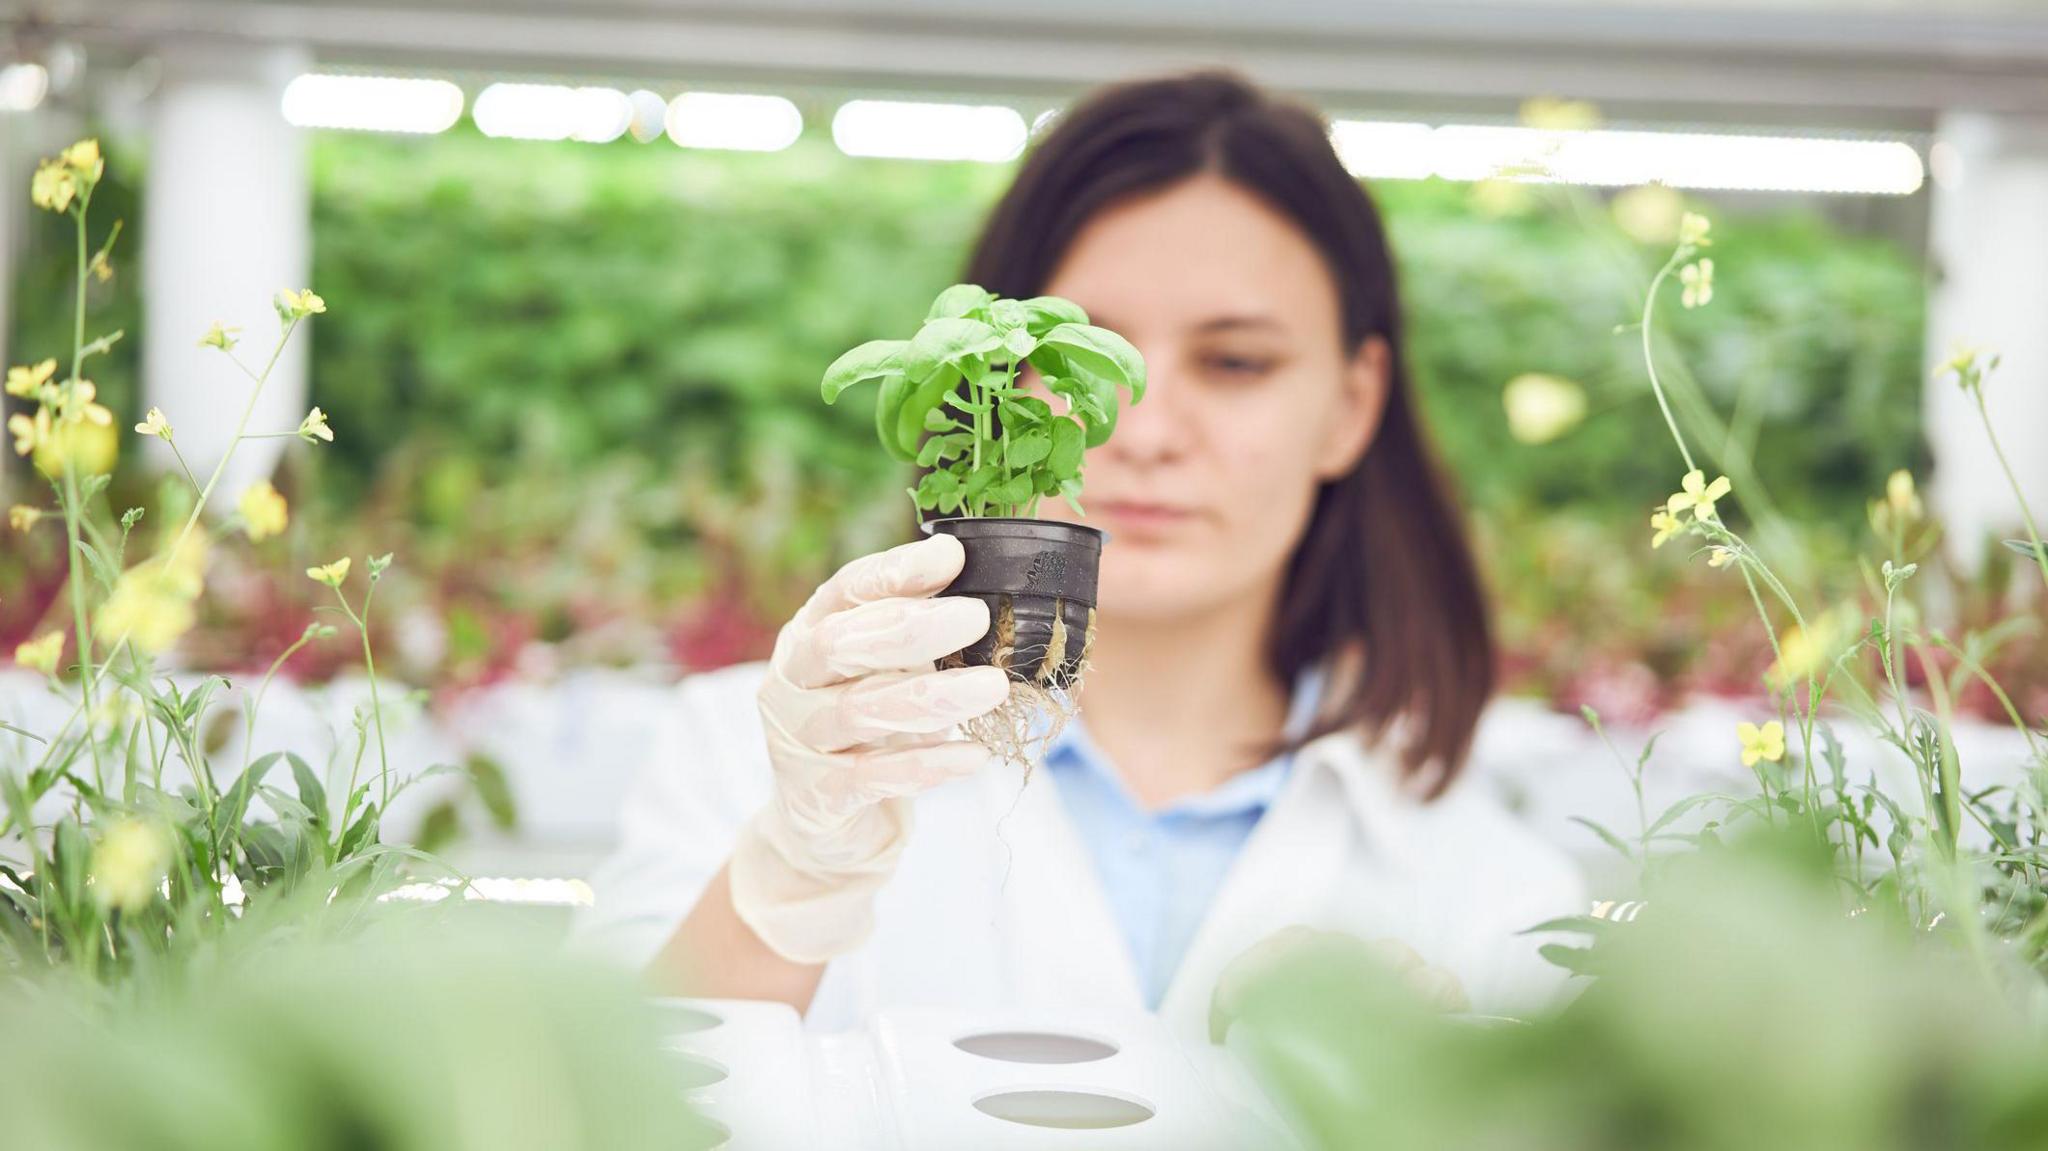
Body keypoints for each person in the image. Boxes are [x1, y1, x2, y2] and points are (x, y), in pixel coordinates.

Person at [578, 70, 1584, 1038]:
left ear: (1350, 404)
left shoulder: (1494, 881)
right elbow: (598, 1111)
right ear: (974, 387)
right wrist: (790, 875)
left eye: (1235, 362)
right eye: (1075, 357)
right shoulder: (744, 756)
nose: (1143, 432)